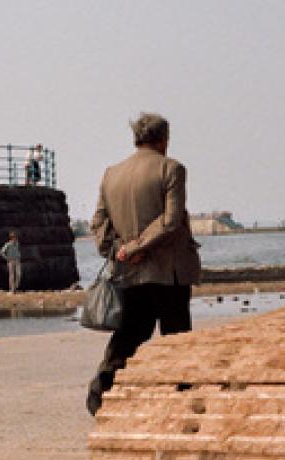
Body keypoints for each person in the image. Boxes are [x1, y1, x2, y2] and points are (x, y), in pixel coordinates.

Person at [86, 112, 201, 415]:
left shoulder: (112, 173)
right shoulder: (171, 169)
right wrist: (138, 247)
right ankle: (181, 396)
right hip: (168, 270)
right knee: (176, 334)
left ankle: (101, 389)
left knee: (131, 331)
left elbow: (98, 222)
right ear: (164, 139)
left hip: (130, 271)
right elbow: (171, 220)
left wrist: (120, 250)